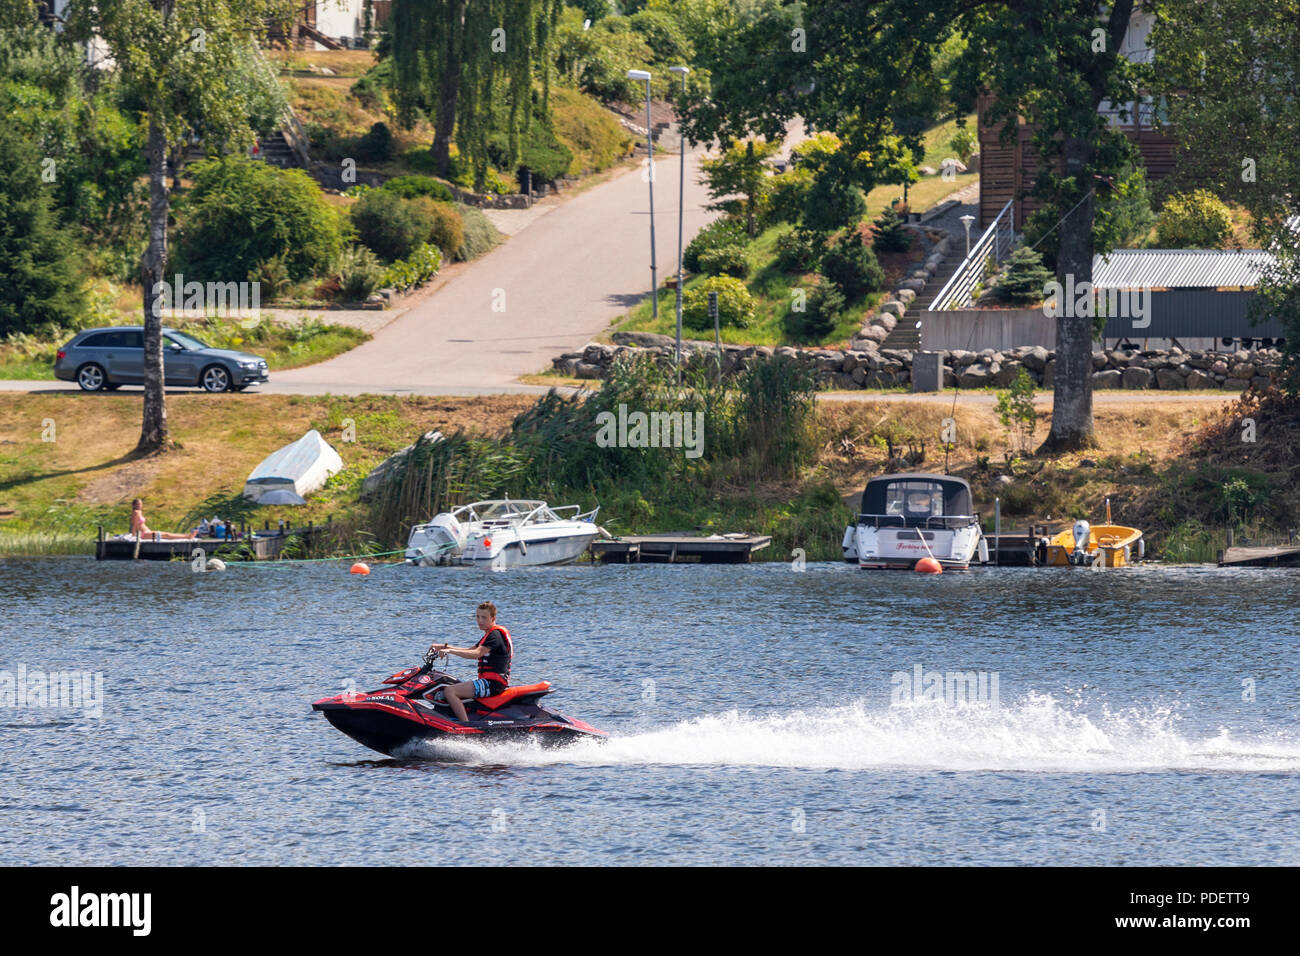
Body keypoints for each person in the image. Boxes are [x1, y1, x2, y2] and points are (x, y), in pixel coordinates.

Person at [428, 602, 513, 723]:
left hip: (492, 684)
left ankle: (465, 726)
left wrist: (449, 651)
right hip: (489, 682)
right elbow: (470, 650)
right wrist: (443, 646)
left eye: (484, 617)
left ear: (493, 618)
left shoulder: (495, 635)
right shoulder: (489, 634)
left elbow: (476, 654)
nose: (479, 620)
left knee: (450, 691)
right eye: (477, 616)